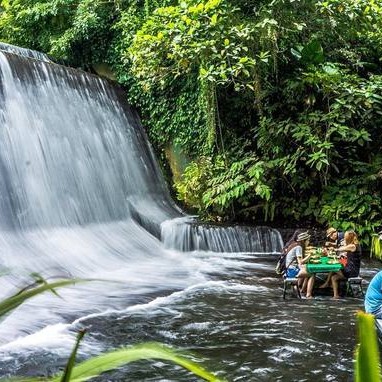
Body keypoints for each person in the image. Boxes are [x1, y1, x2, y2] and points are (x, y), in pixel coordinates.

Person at [323, 230, 361, 299]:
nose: (344, 238)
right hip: (350, 267)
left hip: (352, 270)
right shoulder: (354, 245)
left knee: (333, 268)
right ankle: (335, 295)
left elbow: (341, 249)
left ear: (348, 238)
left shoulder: (352, 246)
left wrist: (333, 249)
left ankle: (327, 284)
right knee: (334, 277)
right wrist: (339, 257)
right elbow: (349, 256)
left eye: (345, 237)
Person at [284, 231, 315, 298]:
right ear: (304, 241)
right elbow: (300, 262)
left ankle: (302, 290)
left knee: (307, 269)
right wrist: (309, 255)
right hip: (291, 270)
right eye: (308, 240)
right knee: (312, 274)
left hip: (289, 269)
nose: (308, 242)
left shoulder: (294, 244)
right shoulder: (299, 247)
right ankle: (308, 295)